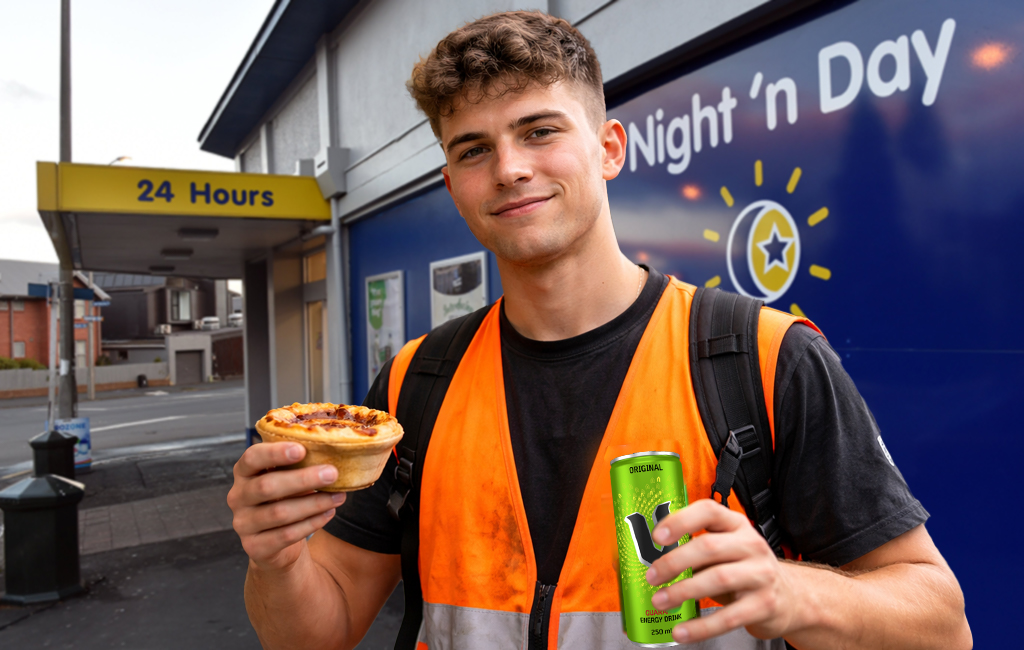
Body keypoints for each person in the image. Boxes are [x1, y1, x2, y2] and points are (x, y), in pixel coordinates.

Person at [227, 11, 971, 650]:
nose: (511, 169)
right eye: (474, 150)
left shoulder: (766, 357)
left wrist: (792, 593)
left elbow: (942, 623)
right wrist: (276, 557)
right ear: (453, 185)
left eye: (539, 130)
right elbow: (316, 634)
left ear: (610, 148)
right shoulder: (415, 381)